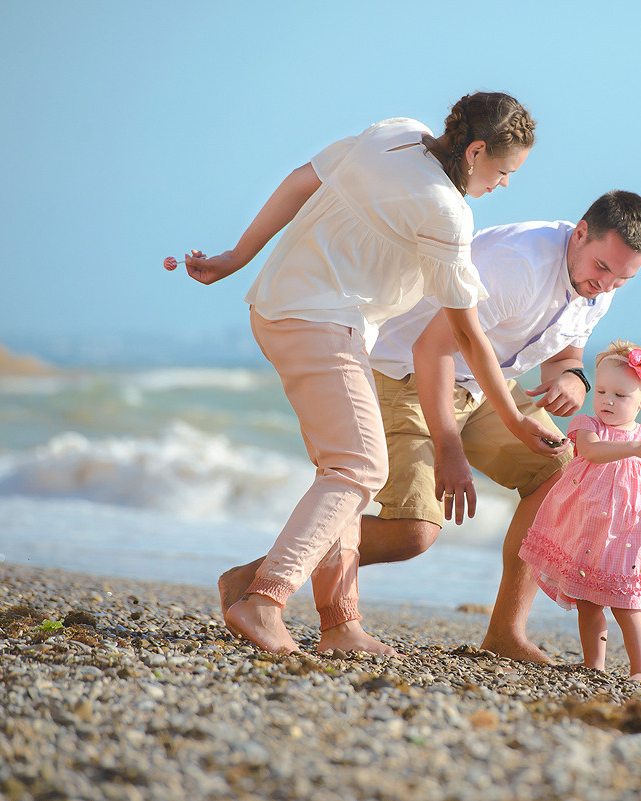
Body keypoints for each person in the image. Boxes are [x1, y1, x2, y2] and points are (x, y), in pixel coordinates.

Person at [166, 91, 563, 655]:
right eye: (504, 171)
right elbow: (469, 337)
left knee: (344, 469)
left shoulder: (394, 133)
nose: (504, 185)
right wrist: (516, 422)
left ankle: (340, 625)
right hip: (323, 324)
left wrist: (237, 257)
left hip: (282, 307)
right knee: (359, 468)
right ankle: (263, 599)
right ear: (476, 152)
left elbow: (303, 180)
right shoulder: (448, 212)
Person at [217, 191, 641, 664]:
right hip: (405, 376)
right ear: (579, 234)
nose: (607, 284)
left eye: (622, 278)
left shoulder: (596, 287)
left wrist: (572, 378)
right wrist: (449, 447)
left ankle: (506, 633)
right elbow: (434, 350)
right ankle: (259, 577)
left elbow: (562, 355)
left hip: (483, 384)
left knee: (558, 474)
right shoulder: (518, 264)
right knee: (414, 532)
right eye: (602, 267)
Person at [518, 341, 641, 681]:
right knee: (588, 600)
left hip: (631, 532)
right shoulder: (588, 425)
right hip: (588, 527)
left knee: (629, 606)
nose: (608, 401)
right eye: (601, 391)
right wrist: (635, 448)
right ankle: (593, 662)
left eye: (621, 395)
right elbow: (592, 453)